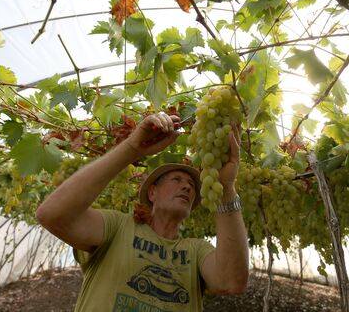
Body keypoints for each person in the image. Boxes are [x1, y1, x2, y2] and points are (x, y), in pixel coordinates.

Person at [35, 112, 249, 312]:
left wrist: (226, 189)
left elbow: (231, 281)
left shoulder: (197, 251)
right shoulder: (117, 227)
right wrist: (132, 148)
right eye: (177, 180)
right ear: (152, 192)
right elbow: (53, 215)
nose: (187, 187)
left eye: (192, 186)